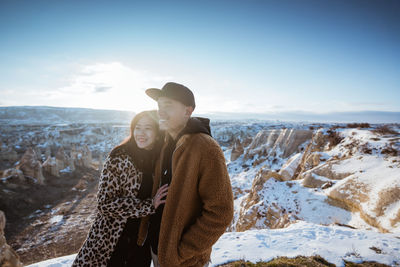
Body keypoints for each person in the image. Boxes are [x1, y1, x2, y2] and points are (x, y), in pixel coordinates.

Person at [137, 82, 234, 267]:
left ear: (187, 111)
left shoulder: (205, 147)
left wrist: (180, 252)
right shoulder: (168, 143)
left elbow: (221, 212)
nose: (160, 112)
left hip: (185, 261)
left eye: (168, 106)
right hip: (159, 252)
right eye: (159, 106)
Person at [72, 110, 169, 267]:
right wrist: (149, 206)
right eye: (137, 127)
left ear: (158, 133)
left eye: (148, 128)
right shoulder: (119, 157)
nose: (141, 133)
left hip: (141, 242)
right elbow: (104, 204)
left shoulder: (157, 161)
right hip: (112, 240)